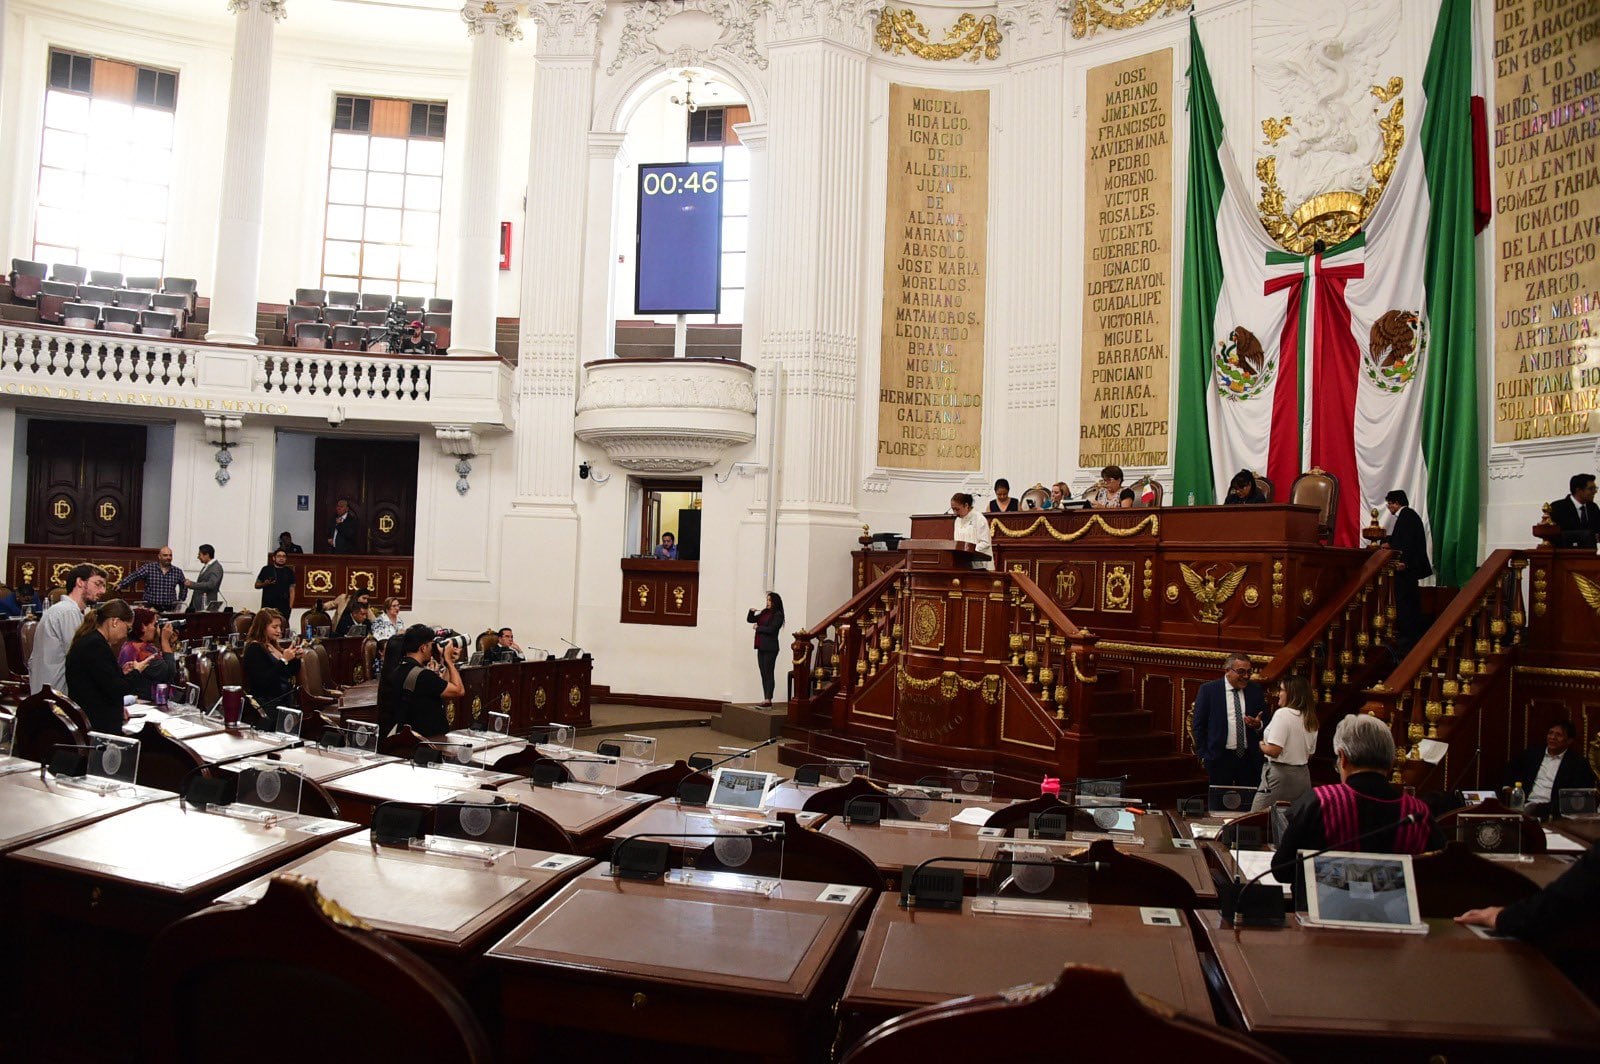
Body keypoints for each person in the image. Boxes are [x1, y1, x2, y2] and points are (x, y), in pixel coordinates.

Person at [1271, 713, 1439, 884]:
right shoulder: (1418, 813)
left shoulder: (1321, 801)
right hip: (1397, 910)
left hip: (1324, 910)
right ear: (1390, 762)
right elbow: (1435, 874)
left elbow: (1282, 870)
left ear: (1343, 758)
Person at [1191, 652, 1269, 789]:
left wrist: (1258, 725)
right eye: (1241, 672)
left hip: (1248, 758)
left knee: (1249, 805)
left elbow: (1266, 721)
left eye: (1248, 672)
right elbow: (1198, 725)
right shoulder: (1209, 690)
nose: (1246, 676)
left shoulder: (1255, 690)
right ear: (1228, 670)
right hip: (1219, 757)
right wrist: (1204, 754)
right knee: (1219, 804)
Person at [63, 599, 139, 734]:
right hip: (97, 725)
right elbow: (116, 689)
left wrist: (121, 673)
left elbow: (100, 679)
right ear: (115, 621)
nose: (126, 634)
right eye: (127, 628)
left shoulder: (91, 640)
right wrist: (137, 672)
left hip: (92, 718)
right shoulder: (96, 645)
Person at [30, 563, 106, 694]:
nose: (103, 591)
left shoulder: (67, 610)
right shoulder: (68, 612)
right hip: (57, 696)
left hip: (49, 691)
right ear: (80, 582)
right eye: (98, 584)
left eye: (104, 586)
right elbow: (80, 659)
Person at [378, 624, 463, 739]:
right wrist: (449, 660)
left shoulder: (398, 671)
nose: (431, 650)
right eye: (430, 646)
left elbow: (443, 689)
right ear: (423, 648)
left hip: (410, 740)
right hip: (429, 742)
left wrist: (447, 664)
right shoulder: (423, 676)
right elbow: (458, 691)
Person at [1503, 719, 1597, 818]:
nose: (1552, 737)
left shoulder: (1578, 763)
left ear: (1569, 741)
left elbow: (1581, 796)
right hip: (1526, 805)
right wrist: (1508, 787)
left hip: (1553, 812)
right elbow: (1510, 768)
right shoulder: (1533, 754)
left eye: (1558, 735)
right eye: (1550, 733)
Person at [1252, 675, 1318, 811]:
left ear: (1292, 693)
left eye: (1281, 690)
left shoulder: (1283, 714)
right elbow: (1310, 754)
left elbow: (1275, 751)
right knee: (1295, 820)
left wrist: (1261, 745)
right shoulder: (1310, 718)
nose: (1278, 694)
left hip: (1280, 776)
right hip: (1302, 776)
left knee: (1254, 819)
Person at [1383, 490, 1432, 654]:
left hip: (1407, 569)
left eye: (1389, 503)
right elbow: (1401, 539)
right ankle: (1411, 635)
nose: (1389, 507)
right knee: (1410, 601)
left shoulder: (1406, 517)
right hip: (1411, 568)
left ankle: (1407, 638)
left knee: (1405, 603)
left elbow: (1408, 542)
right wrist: (1389, 542)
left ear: (1396, 503)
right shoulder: (1409, 516)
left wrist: (1405, 562)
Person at [242, 608, 304, 720]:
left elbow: (288, 673)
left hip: (283, 700)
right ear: (262, 628)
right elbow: (262, 681)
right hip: (267, 704)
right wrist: (284, 660)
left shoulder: (273, 645)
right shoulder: (254, 648)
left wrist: (295, 659)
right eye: (274, 627)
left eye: (280, 627)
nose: (279, 631)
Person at [116, 608, 181, 701]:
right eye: (154, 624)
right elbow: (169, 673)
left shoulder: (129, 645)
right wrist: (165, 641)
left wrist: (164, 642)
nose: (156, 628)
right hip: (147, 702)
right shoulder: (141, 650)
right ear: (143, 626)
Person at [117, 546, 186, 611]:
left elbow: (184, 585)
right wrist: (121, 585)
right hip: (150, 607)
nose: (168, 557)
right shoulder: (149, 568)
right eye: (165, 555)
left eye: (170, 555)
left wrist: (180, 601)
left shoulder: (177, 571)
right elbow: (134, 576)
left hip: (170, 608)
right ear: (159, 556)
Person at [746, 593, 784, 707]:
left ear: (775, 602)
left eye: (770, 600)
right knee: (763, 673)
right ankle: (765, 698)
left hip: (770, 647)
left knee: (768, 672)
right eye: (767, 600)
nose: (767, 602)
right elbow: (751, 620)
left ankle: (769, 699)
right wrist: (751, 611)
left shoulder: (778, 615)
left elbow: (772, 629)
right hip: (761, 646)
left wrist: (759, 628)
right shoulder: (764, 612)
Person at [1548, 472, 1599, 548]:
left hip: (1591, 556)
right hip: (1567, 555)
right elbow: (1556, 535)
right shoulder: (1558, 508)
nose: (1595, 491)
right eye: (1591, 489)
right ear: (1578, 490)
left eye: (1595, 488)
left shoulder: (1593, 507)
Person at [950, 492, 993, 564]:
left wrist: (969, 550)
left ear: (966, 505)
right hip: (963, 563)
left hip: (980, 565)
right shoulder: (957, 520)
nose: (955, 513)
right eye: (953, 509)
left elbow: (985, 543)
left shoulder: (979, 519)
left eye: (957, 509)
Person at [255, 549, 296, 615]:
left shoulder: (289, 572)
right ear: (274, 558)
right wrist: (264, 584)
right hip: (268, 605)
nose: (281, 558)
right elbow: (256, 585)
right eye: (279, 556)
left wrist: (290, 607)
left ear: (286, 559)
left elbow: (292, 590)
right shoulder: (266, 569)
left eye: (284, 556)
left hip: (284, 606)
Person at [184, 543, 224, 611]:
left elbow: (211, 584)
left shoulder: (216, 567)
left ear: (207, 555)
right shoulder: (207, 566)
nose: (198, 557)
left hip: (206, 605)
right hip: (198, 605)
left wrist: (192, 584)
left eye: (199, 554)